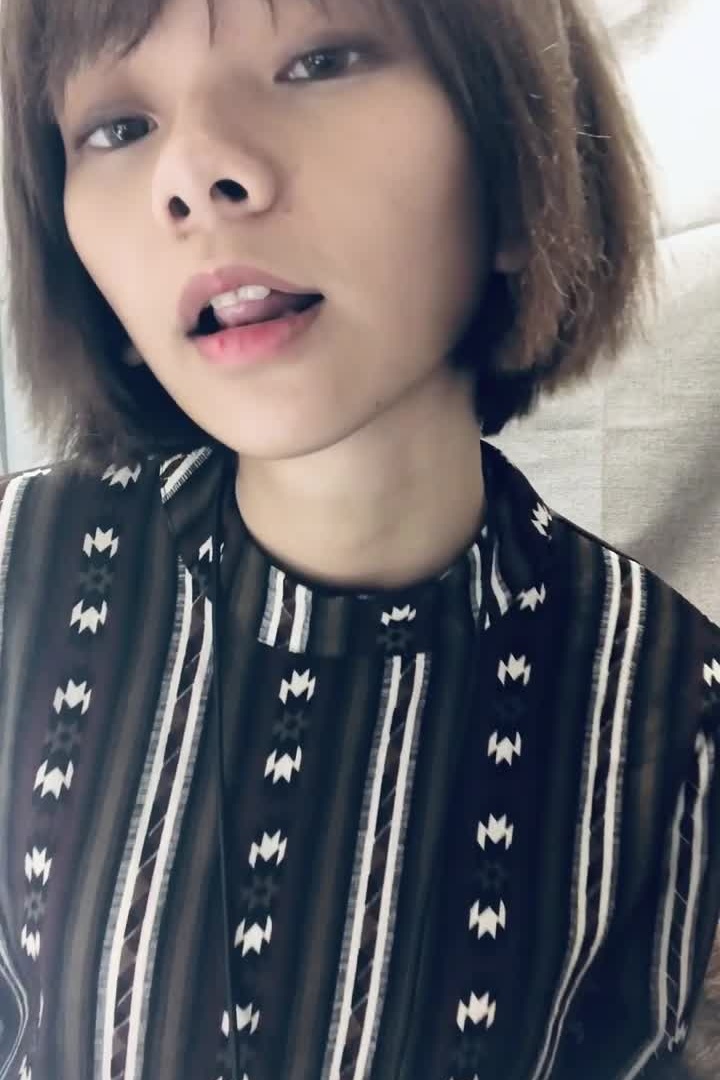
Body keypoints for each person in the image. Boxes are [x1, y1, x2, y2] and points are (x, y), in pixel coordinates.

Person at [0, 0, 718, 1077]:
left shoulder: (669, 709)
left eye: (319, 62)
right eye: (117, 127)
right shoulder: (18, 574)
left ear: (514, 163)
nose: (192, 174)